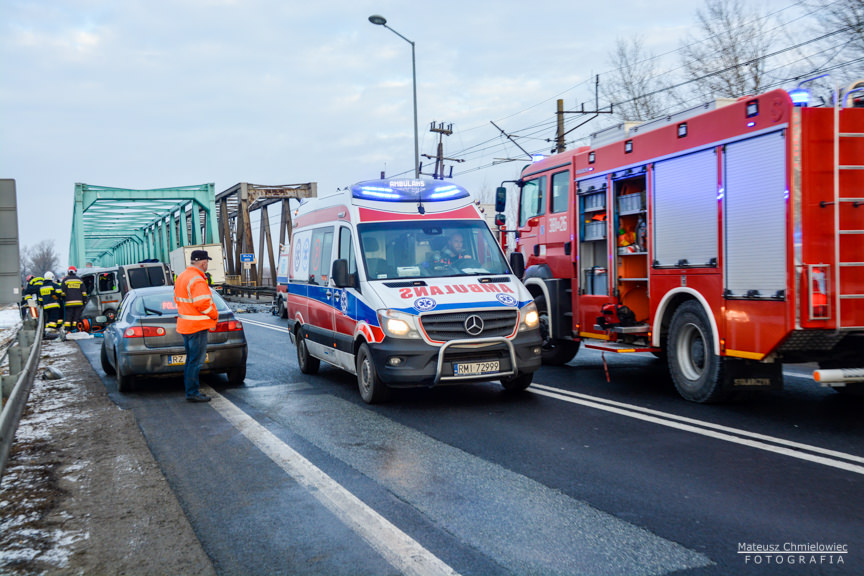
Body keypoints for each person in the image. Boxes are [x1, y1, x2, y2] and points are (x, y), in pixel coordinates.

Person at [174, 249, 219, 402]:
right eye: (207, 262)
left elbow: (178, 299)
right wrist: (214, 315)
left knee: (190, 360)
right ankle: (192, 392)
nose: (207, 265)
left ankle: (190, 390)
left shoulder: (182, 277)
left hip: (185, 326)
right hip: (197, 326)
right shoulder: (197, 280)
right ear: (203, 262)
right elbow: (203, 304)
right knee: (196, 361)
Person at [60, 266, 88, 334]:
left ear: (68, 272)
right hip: (79, 303)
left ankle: (67, 330)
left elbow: (63, 293)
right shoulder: (80, 280)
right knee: (76, 317)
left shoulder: (65, 280)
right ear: (75, 271)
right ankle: (74, 329)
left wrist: (64, 299)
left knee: (68, 318)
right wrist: (84, 301)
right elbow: (84, 292)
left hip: (68, 303)